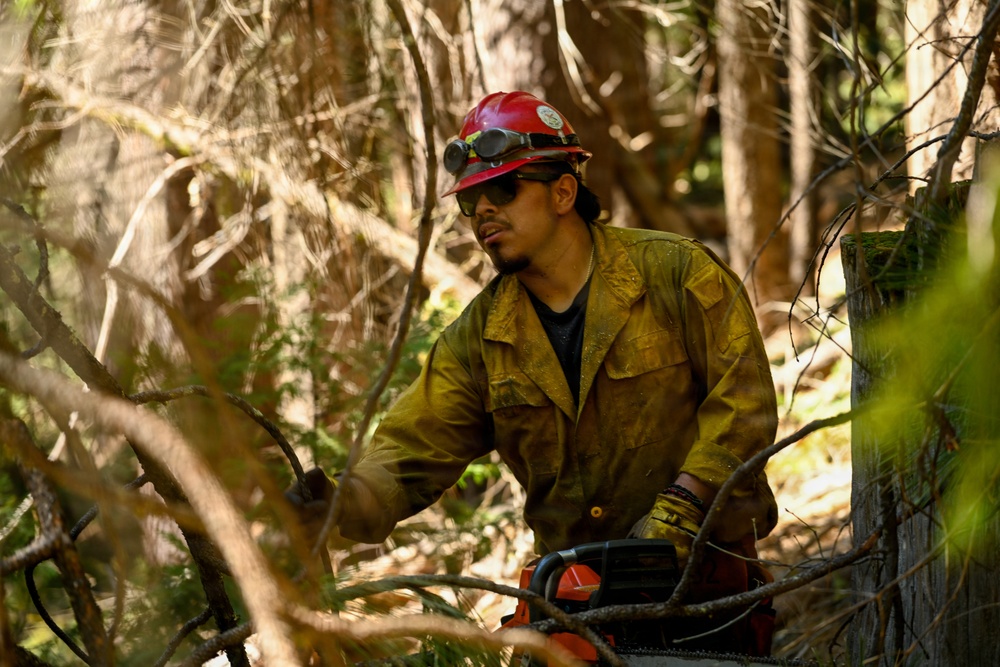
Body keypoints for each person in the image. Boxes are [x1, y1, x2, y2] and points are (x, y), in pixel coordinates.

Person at [294, 91, 779, 652]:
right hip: (575, 604)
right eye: (470, 199)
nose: (482, 210)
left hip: (706, 590)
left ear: (563, 191)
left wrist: (683, 507)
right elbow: (410, 453)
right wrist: (343, 499)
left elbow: (744, 403)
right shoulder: (479, 339)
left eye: (503, 189)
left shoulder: (675, 272)